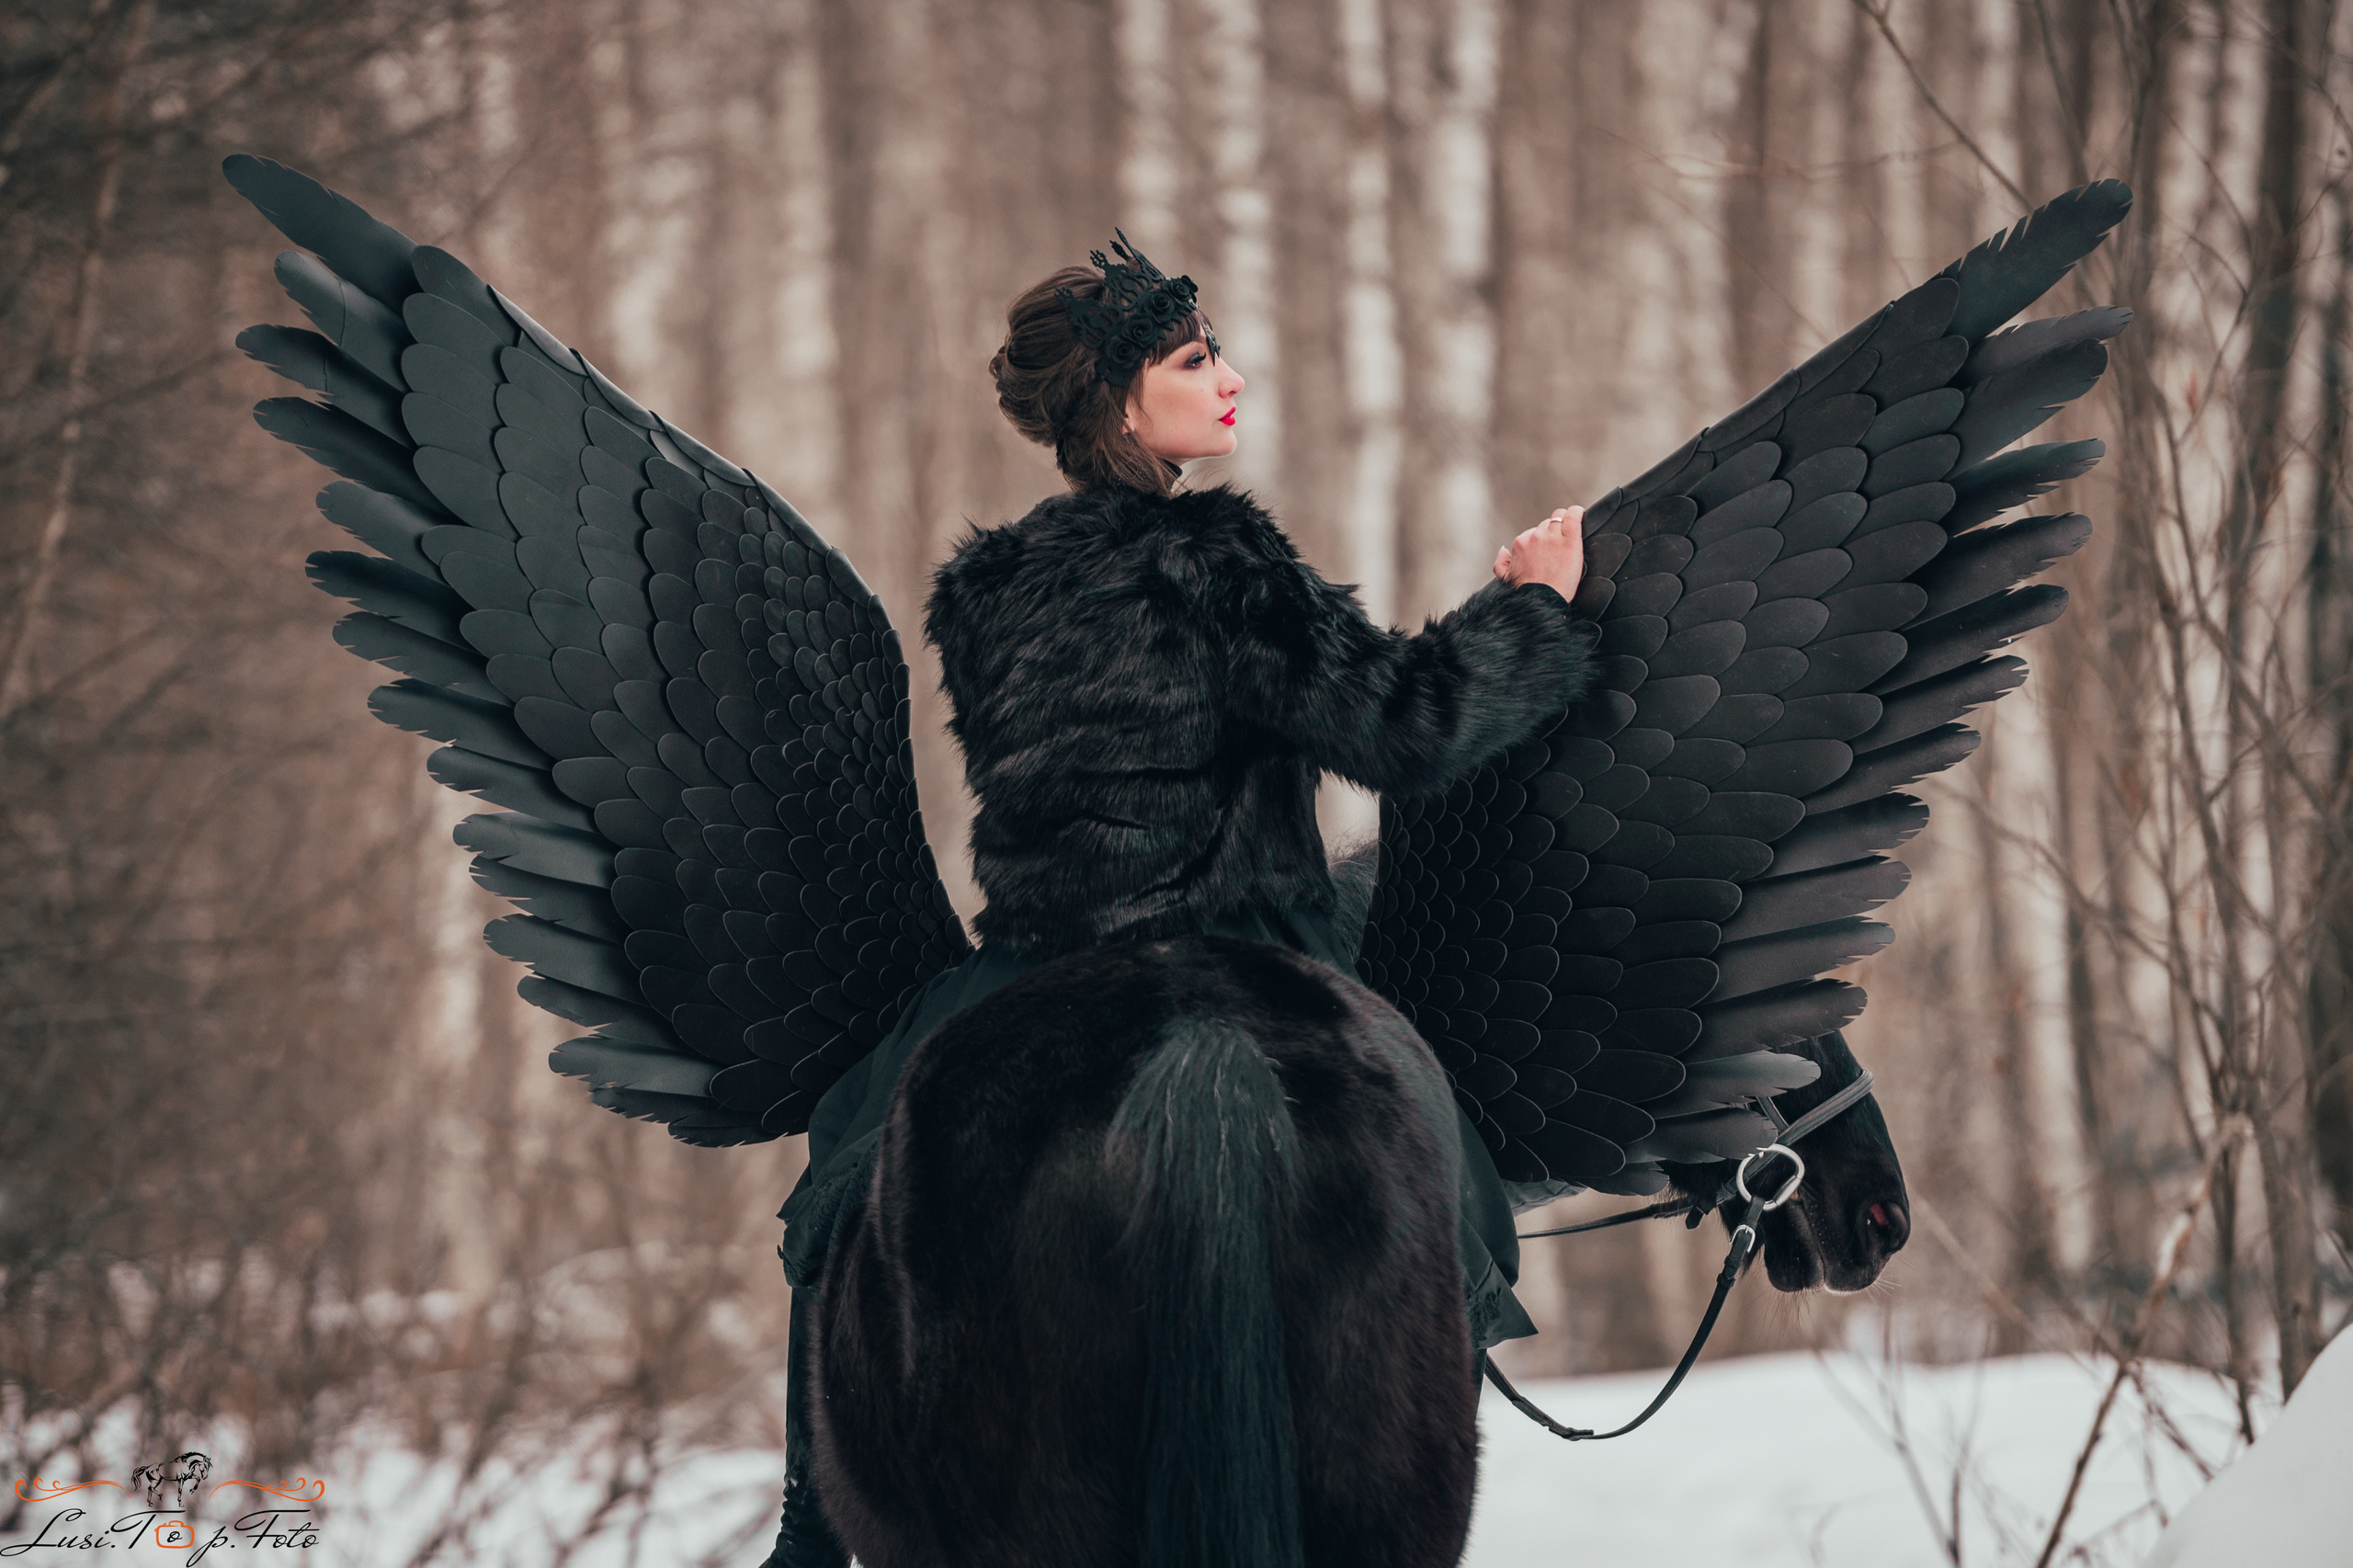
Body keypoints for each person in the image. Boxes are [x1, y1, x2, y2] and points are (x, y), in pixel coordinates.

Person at [765, 234, 1597, 1563]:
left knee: (845, 1170)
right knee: (1439, 1141)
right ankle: (1452, 1316)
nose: (1232, 380)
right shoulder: (1221, 561)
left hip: (1032, 963)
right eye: (1196, 358)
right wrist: (1535, 617)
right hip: (1249, 933)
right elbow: (1409, 728)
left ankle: (813, 1516)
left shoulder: (986, 594)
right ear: (1117, 396)